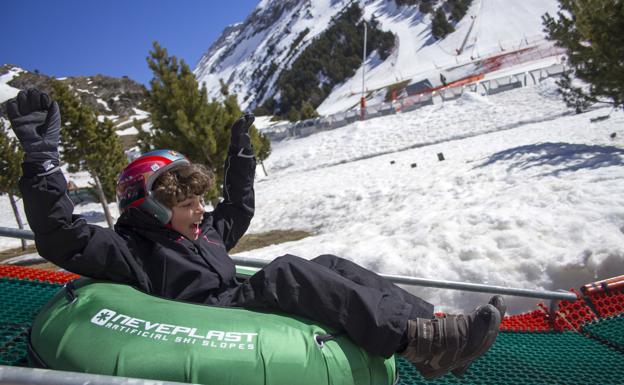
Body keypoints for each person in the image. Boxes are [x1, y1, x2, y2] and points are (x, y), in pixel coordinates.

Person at [7, 89, 505, 379]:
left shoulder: (200, 235)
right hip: (202, 319)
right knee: (287, 271)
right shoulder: (130, 248)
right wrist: (41, 161)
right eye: (187, 204)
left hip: (232, 300)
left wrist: (240, 155)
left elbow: (237, 209)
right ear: (151, 206)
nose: (200, 212)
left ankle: (432, 332)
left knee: (327, 263)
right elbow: (60, 235)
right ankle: (420, 340)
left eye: (199, 202)